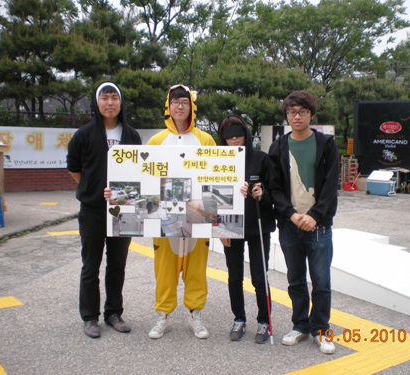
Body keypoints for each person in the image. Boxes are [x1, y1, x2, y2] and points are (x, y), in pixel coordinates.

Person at [67, 82, 142, 338]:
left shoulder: (131, 136)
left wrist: (121, 196)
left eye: (114, 98)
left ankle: (113, 313)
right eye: (105, 98)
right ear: (96, 103)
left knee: (117, 265)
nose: (110, 103)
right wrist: (92, 189)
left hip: (123, 211)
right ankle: (90, 317)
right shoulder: (84, 135)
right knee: (91, 266)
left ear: (121, 104)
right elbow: (74, 167)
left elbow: (139, 174)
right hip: (93, 211)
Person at [268, 91, 339, 354]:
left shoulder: (327, 144)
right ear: (286, 115)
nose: (296, 117)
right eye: (291, 112)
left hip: (318, 226)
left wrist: (314, 215)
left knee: (321, 281)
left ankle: (321, 328)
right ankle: (300, 324)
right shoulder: (278, 146)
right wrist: (291, 214)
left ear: (311, 114)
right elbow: (274, 188)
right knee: (295, 279)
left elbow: (332, 185)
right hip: (290, 225)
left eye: (302, 112)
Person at [147, 84, 216, 339]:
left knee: (196, 266)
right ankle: (162, 315)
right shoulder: (156, 141)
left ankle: (195, 314)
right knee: (165, 266)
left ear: (191, 107)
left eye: (184, 102)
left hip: (197, 212)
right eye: (175, 101)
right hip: (165, 214)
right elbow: (145, 179)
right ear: (168, 105)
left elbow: (215, 177)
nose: (180, 106)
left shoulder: (205, 139)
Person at [217, 115, 276, 343]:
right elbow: (209, 192)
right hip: (229, 224)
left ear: (246, 135)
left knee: (259, 278)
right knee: (234, 277)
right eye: (228, 136)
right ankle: (239, 318)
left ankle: (264, 321)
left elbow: (275, 191)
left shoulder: (261, 159)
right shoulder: (218, 160)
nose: (233, 140)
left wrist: (263, 194)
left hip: (258, 223)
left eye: (238, 135)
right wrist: (218, 230)